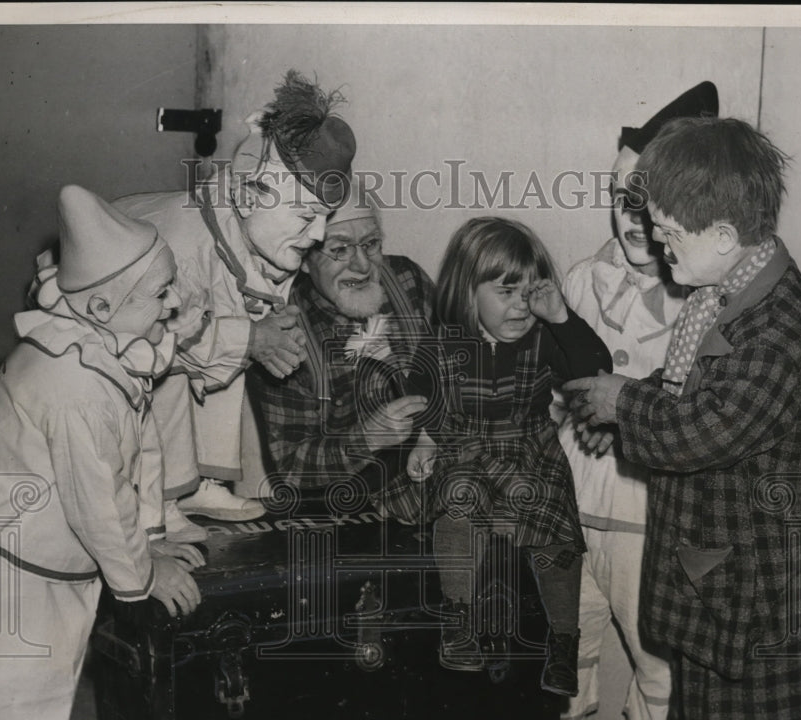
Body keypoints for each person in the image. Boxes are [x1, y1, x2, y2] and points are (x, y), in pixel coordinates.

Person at [565, 117, 801, 720]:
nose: (658, 245)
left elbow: (700, 425)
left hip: (771, 606)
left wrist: (623, 403)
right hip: (727, 591)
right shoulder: (729, 292)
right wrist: (619, 407)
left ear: (725, 236)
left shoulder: (778, 332)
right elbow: (690, 387)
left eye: (670, 235)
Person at [0, 185, 205, 720]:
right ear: (103, 308)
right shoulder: (76, 385)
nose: (174, 302)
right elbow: (99, 500)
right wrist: (142, 575)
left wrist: (152, 538)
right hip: (7, 575)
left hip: (38, 563)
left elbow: (140, 447)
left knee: (31, 719)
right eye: (160, 292)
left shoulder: (113, 348)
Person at [113, 70, 357, 541]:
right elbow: (160, 340)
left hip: (180, 322)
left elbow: (246, 301)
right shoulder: (180, 248)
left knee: (229, 345)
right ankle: (157, 500)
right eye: (307, 215)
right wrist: (252, 337)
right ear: (247, 197)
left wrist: (266, 328)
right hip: (121, 326)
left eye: (325, 217)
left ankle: (199, 481)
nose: (320, 234)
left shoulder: (256, 232)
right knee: (169, 370)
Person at [553, 82, 716, 720]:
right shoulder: (584, 279)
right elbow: (553, 366)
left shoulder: (703, 301)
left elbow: (685, 404)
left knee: (652, 634)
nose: (632, 221)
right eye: (621, 201)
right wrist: (569, 406)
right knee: (571, 621)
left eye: (647, 208)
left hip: (642, 501)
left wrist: (620, 422)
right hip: (571, 490)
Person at [405, 217, 613, 687]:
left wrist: (562, 318)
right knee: (457, 503)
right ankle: (458, 619)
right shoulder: (443, 344)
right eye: (506, 292)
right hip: (466, 449)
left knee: (557, 530)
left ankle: (564, 639)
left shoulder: (544, 339)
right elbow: (425, 395)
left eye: (530, 292)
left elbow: (595, 370)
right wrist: (425, 439)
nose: (521, 306)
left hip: (530, 450)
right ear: (467, 290)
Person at [247, 179, 436, 513]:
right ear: (304, 259)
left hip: (431, 478)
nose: (362, 266)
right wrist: (368, 438)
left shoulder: (408, 281)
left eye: (371, 244)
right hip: (342, 505)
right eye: (339, 249)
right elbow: (291, 466)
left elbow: (457, 372)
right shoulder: (283, 334)